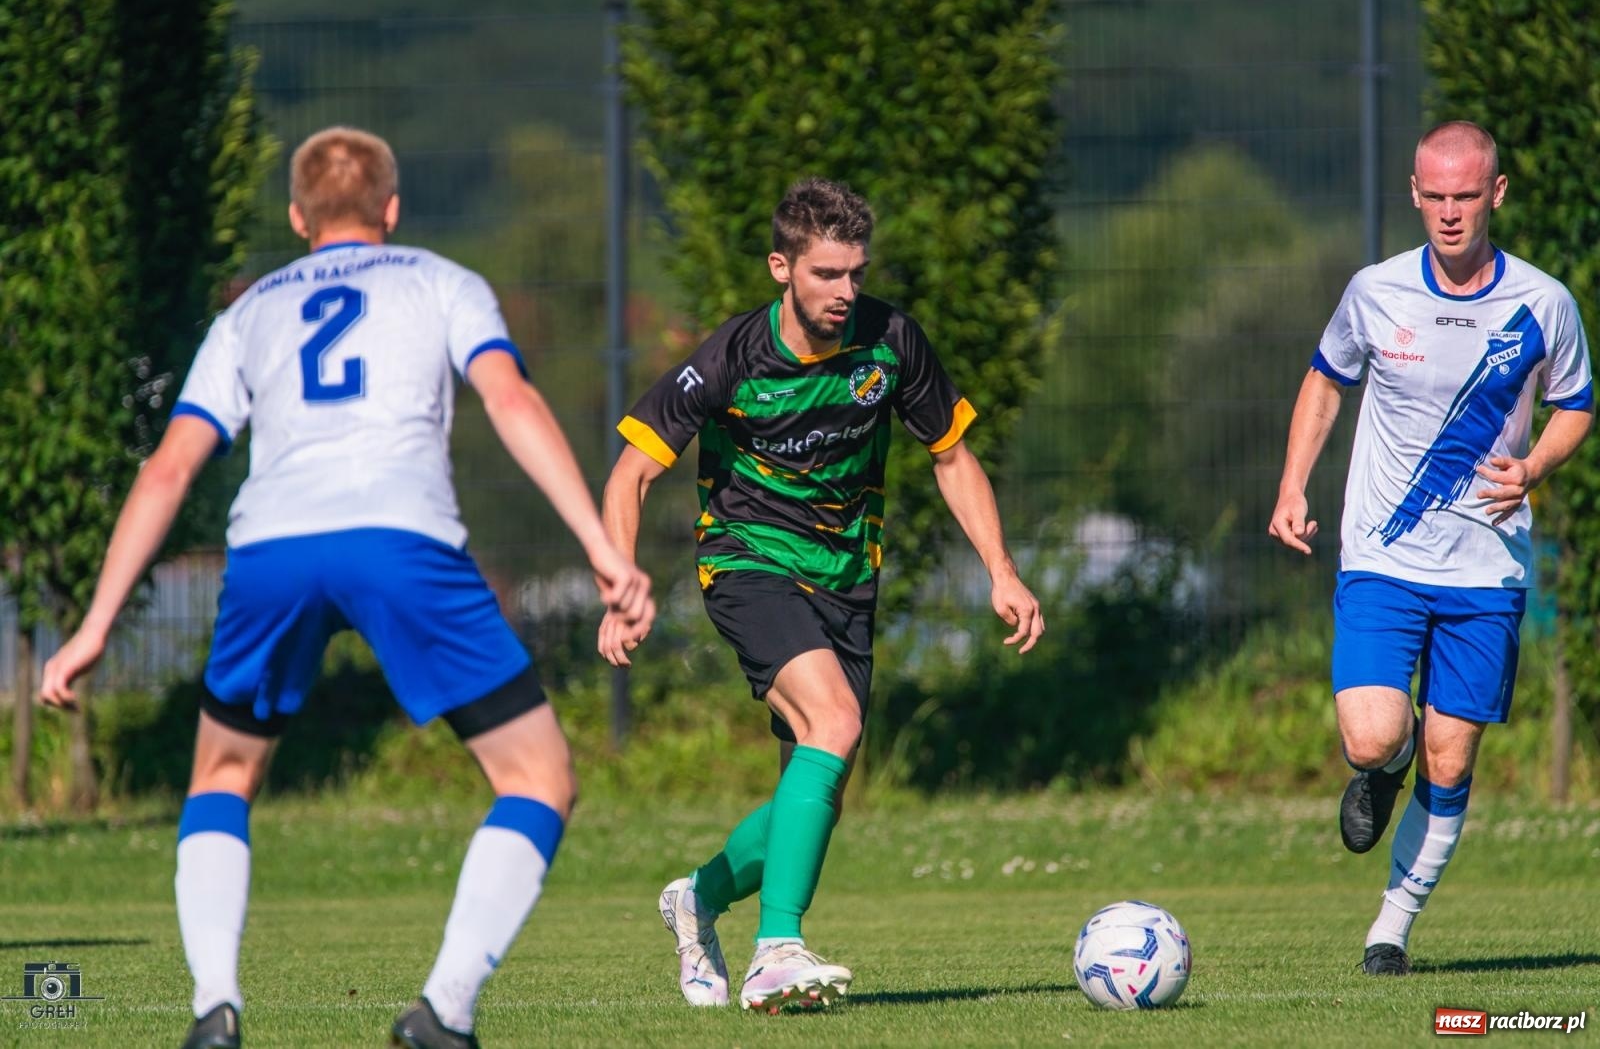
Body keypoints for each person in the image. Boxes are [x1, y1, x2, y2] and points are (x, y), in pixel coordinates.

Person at [38, 126, 654, 1049]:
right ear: (392, 210)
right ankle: (444, 1011)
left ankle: (215, 1005)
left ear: (297, 217)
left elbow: (169, 467)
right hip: (400, 539)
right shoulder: (444, 281)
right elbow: (513, 401)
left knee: (223, 773)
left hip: (272, 548)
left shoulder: (246, 315)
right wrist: (601, 545)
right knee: (538, 776)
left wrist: (92, 628)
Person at [597, 177, 1044, 1011]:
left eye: (855, 274)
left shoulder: (891, 342)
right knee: (833, 722)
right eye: (826, 275)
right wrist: (622, 582)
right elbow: (632, 471)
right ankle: (777, 949)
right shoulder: (730, 357)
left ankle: (697, 897)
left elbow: (951, 455)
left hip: (847, 580)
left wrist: (1002, 569)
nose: (845, 293)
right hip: (748, 561)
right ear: (782, 267)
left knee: (818, 787)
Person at [1268, 121, 1593, 975]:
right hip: (1382, 553)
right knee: (1375, 736)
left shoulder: (1543, 302)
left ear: (1496, 193)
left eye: (1466, 195)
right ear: (1415, 194)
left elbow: (1578, 403)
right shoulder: (1375, 291)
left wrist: (1533, 467)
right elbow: (1325, 378)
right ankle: (1385, 765)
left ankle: (1391, 927)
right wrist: (1293, 482)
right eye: (1435, 196)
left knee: (1453, 758)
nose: (1450, 213)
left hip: (1486, 566)